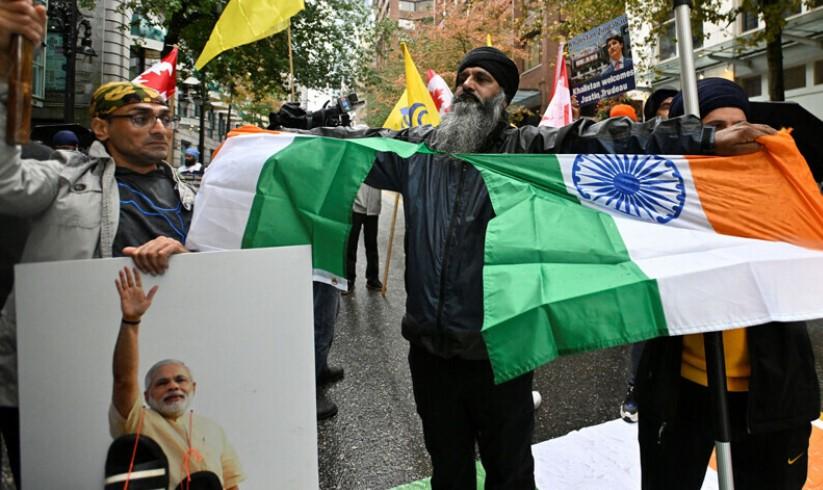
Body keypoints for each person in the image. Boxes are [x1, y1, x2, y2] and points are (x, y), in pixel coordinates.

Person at [345, 47, 772, 488]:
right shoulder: (419, 154)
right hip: (429, 354)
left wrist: (701, 138)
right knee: (448, 468)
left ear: (503, 97)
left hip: (500, 352)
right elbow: (344, 149)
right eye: (464, 77)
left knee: (508, 470)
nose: (468, 85)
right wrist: (275, 137)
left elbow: (604, 138)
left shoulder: (526, 149)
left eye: (482, 79)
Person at [0, 5, 193, 484]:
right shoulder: (64, 177)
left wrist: (186, 257)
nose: (159, 128)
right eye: (141, 117)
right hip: (60, 368)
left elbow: (224, 269)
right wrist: (6, 75)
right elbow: (5, 183)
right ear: (102, 128)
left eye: (164, 118)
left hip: (155, 361)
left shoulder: (192, 195)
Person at [636, 77, 820, 490]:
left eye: (739, 124)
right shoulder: (666, 198)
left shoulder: (783, 191)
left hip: (770, 393)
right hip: (679, 390)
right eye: (713, 128)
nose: (731, 136)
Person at [110, 266, 244, 489]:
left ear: (193, 387)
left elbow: (230, 485)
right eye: (162, 383)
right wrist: (131, 322)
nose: (173, 386)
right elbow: (123, 380)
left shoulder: (212, 429)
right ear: (147, 395)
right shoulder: (137, 421)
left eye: (180, 380)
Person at [344, 183, 383, 295]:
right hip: (355, 206)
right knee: (351, 244)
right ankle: (349, 278)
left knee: (371, 244)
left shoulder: (380, 165)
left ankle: (372, 278)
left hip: (373, 208)